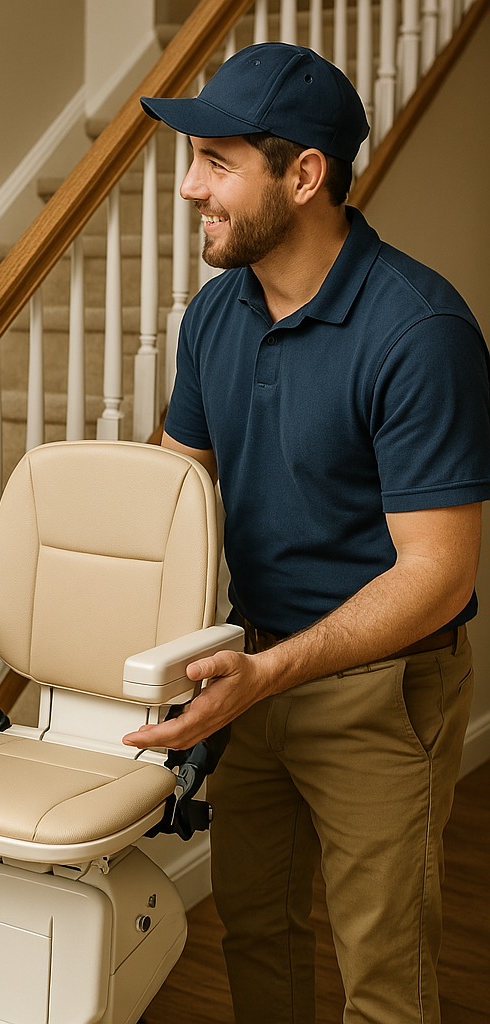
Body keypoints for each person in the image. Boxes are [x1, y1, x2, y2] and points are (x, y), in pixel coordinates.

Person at [123, 43, 490, 1024]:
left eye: (217, 162)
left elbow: (440, 575)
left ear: (304, 175)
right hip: (247, 670)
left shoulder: (419, 332)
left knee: (385, 978)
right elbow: (173, 495)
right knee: (256, 935)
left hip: (380, 689)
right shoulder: (214, 315)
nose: (190, 188)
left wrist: (270, 671)